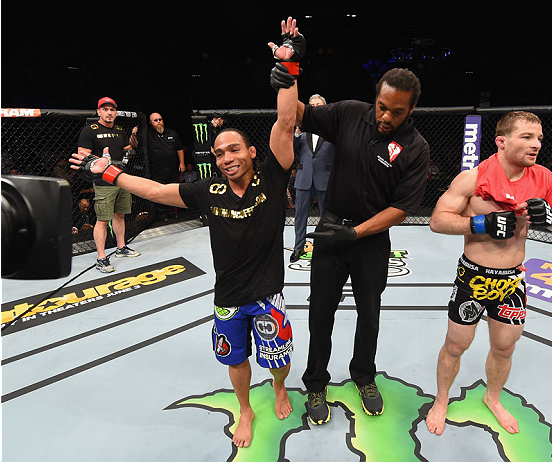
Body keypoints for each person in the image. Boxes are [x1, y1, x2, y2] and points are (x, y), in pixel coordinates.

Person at [71, 17, 303, 448]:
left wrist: (287, 70)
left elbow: (285, 123)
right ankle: (246, 408)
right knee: (235, 361)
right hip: (228, 296)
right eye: (219, 152)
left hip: (268, 292)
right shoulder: (208, 189)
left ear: (251, 152)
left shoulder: (271, 177)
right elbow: (157, 190)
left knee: (279, 361)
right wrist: (109, 172)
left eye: (234, 149)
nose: (227, 157)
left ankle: (278, 388)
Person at [275, 62, 431, 424]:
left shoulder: (415, 147)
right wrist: (288, 75)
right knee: (320, 313)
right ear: (376, 96)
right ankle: (315, 382)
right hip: (330, 234)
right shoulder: (349, 113)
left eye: (397, 111)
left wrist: (358, 233)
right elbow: (297, 113)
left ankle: (364, 375)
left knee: (370, 315)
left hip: (370, 240)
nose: (386, 116)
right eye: (382, 105)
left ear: (411, 110)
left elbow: (401, 208)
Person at [424, 111, 552, 436]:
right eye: (527, 137)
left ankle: (493, 398)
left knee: (505, 346)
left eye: (539, 139)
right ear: (502, 141)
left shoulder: (545, 178)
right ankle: (441, 399)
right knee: (455, 345)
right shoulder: (473, 178)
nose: (535, 145)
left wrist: (549, 216)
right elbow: (438, 221)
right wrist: (481, 223)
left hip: (512, 280)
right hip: (473, 276)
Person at [76, 96, 140, 273]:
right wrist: (102, 160)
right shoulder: (90, 130)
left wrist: (134, 136)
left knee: (120, 215)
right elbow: (82, 154)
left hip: (121, 177)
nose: (109, 112)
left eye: (112, 109)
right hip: (103, 181)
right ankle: (101, 258)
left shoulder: (120, 130)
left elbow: (129, 148)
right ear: (99, 111)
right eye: (105, 109)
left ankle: (121, 248)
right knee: (103, 220)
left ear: (116, 112)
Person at [290, 94, 336, 263]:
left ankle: (327, 249)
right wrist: (296, 134)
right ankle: (298, 247)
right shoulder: (301, 130)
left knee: (328, 216)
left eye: (318, 104)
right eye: (312, 105)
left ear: (324, 107)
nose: (315, 107)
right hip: (304, 178)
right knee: (300, 216)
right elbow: (292, 150)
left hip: (325, 178)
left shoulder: (332, 129)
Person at [132, 112, 185, 222]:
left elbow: (179, 148)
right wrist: (133, 134)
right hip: (157, 170)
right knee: (160, 191)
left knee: (173, 190)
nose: (159, 122)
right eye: (155, 120)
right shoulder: (147, 135)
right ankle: (162, 215)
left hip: (172, 168)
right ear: (151, 123)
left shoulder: (172, 133)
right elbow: (135, 145)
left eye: (160, 119)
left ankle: (172, 212)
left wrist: (182, 163)